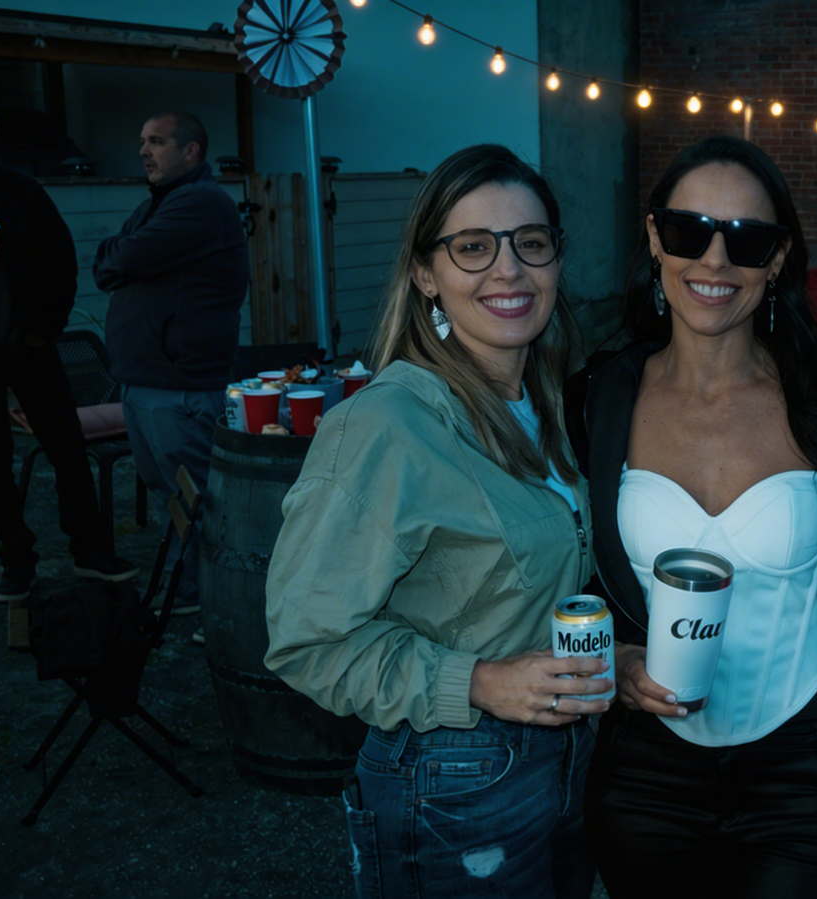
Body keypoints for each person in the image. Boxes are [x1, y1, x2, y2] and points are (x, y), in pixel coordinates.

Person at [264, 144, 610, 899]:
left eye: (531, 243)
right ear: (426, 273)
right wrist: (478, 681)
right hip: (452, 778)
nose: (509, 270)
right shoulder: (386, 426)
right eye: (473, 247)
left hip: (565, 763)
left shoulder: (548, 399)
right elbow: (306, 640)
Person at [568, 136, 817, 899]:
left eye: (747, 240)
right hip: (645, 771)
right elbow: (565, 566)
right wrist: (611, 658)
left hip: (807, 771)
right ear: (656, 239)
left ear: (778, 258)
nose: (715, 260)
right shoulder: (598, 397)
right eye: (689, 231)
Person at [0, 76, 137, 600]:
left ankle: (90, 551)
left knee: (67, 448)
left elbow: (61, 260)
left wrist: (44, 330)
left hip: (29, 346)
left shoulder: (19, 190)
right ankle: (17, 562)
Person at [93, 110, 248, 615]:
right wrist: (125, 255)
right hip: (147, 380)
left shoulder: (199, 203)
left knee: (194, 496)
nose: (143, 151)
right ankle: (189, 589)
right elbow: (107, 263)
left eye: (156, 141)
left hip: (177, 384)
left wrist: (126, 256)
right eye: (143, 141)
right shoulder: (158, 205)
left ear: (190, 150)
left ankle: (216, 597)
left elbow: (120, 260)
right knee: (170, 494)